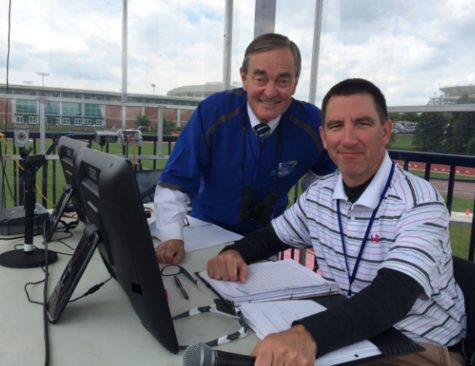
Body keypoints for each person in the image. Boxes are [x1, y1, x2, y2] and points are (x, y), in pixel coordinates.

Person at [207, 78, 467, 366]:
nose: (348, 138)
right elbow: (273, 236)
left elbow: (394, 295)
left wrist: (307, 335)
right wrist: (234, 252)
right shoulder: (320, 194)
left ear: (386, 132)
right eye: (336, 126)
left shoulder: (420, 202)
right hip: (356, 334)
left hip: (417, 344)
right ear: (323, 136)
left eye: (363, 124)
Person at [154, 33, 335, 265]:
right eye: (260, 79)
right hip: (205, 231)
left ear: (295, 82)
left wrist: (310, 220)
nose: (270, 92)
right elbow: (174, 181)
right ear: (244, 77)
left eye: (282, 81)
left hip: (265, 240)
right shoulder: (213, 112)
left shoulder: (312, 123)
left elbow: (323, 180)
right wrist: (171, 236)